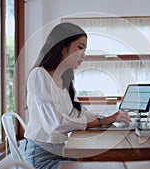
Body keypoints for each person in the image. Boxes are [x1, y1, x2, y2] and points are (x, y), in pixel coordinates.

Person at [21, 22, 131, 169]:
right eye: (80, 48)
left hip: (60, 151)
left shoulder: (64, 79)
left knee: (102, 162)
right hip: (41, 157)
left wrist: (110, 118)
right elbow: (57, 124)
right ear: (63, 48)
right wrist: (103, 120)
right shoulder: (39, 75)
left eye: (85, 49)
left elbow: (78, 112)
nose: (83, 55)